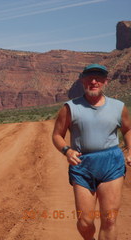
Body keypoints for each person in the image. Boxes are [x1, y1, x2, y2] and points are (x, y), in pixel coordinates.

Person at [52, 63, 131, 240]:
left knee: (109, 220)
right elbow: (57, 135)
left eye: (98, 77)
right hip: (82, 165)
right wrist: (67, 151)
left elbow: (127, 129)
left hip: (111, 163)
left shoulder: (119, 107)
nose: (94, 81)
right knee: (85, 222)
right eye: (89, 77)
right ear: (82, 80)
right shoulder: (70, 107)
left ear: (106, 81)